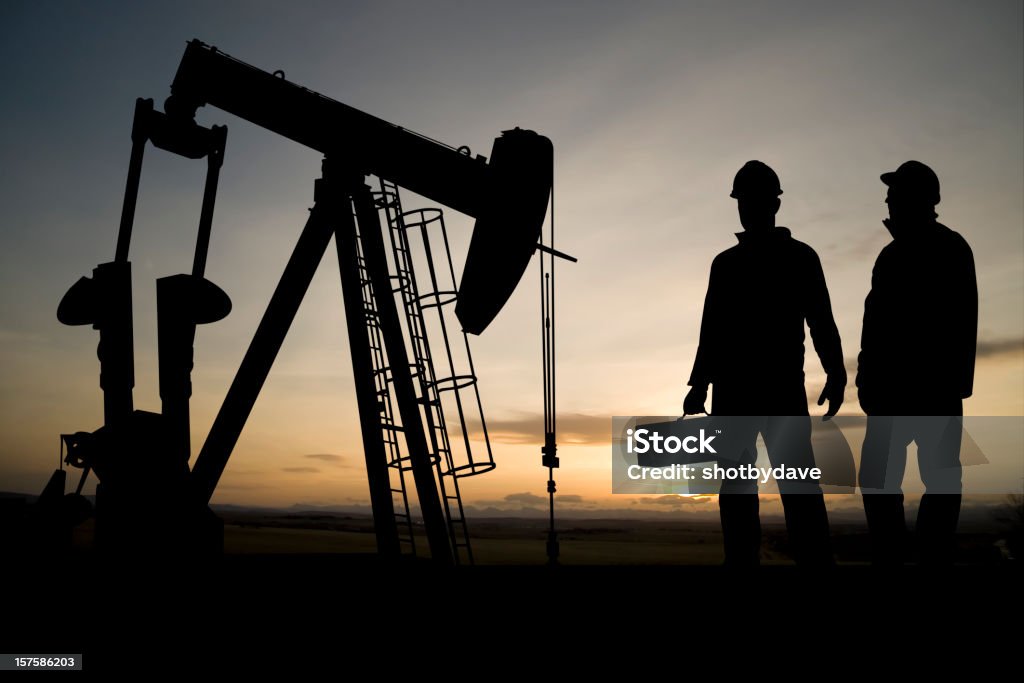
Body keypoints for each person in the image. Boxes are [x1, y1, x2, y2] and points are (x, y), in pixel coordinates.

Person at [684, 160, 846, 567]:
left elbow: (820, 319)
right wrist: (699, 383)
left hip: (773, 390)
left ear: (773, 204)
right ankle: (751, 565)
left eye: (752, 201)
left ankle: (811, 564)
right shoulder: (728, 264)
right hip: (747, 391)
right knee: (745, 490)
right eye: (743, 202)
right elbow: (713, 328)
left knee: (794, 488)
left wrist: (837, 371)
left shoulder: (796, 257)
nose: (747, 209)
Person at [857, 160, 977, 566]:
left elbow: (961, 322)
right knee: (883, 479)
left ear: (922, 199)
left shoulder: (948, 247)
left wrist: (952, 387)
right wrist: (867, 382)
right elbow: (874, 326)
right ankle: (900, 558)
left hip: (928, 391)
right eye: (889, 194)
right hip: (894, 393)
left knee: (938, 480)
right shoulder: (891, 255)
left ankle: (928, 559)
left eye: (896, 193)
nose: (887, 200)